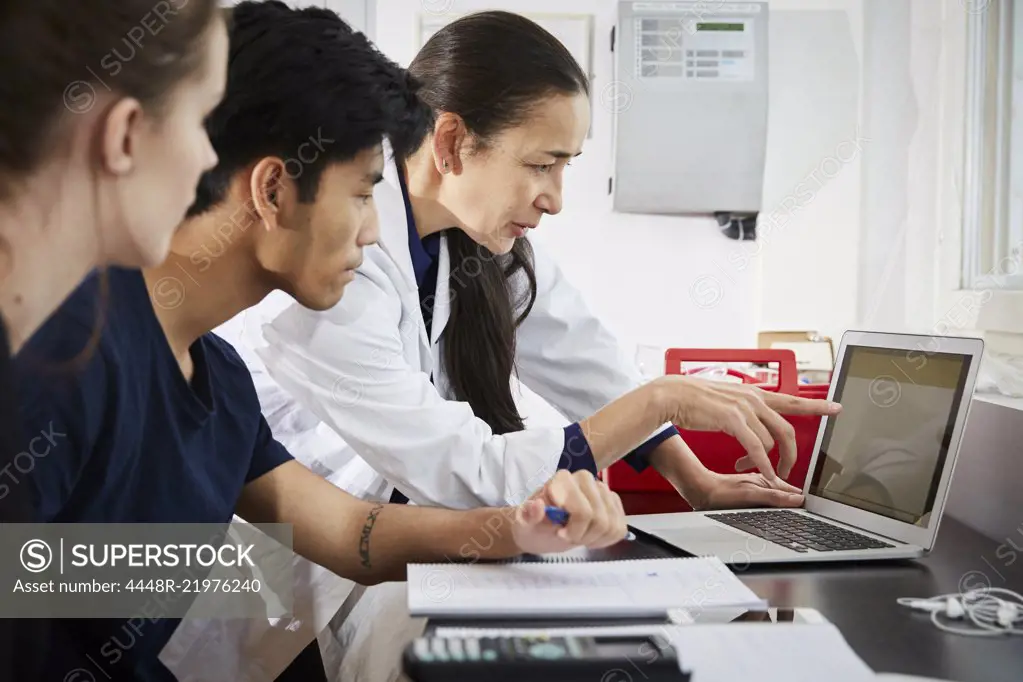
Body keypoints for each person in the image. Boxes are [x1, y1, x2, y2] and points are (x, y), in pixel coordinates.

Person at [12, 3, 627, 680]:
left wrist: (511, 529)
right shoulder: (66, 344)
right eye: (363, 193)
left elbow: (349, 535)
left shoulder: (218, 379)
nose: (372, 232)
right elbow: (27, 577)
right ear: (274, 189)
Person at [235, 10, 842, 514]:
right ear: (450, 143)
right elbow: (465, 471)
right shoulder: (332, 261)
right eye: (539, 164)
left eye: (565, 166)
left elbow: (588, 361)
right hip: (239, 580)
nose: (554, 199)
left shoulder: (477, 245)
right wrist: (659, 400)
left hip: (356, 552)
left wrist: (694, 478)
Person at [0, 1, 227, 679]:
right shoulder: (66, 352)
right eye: (201, 118)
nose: (211, 157)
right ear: (124, 133)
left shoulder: (225, 378)